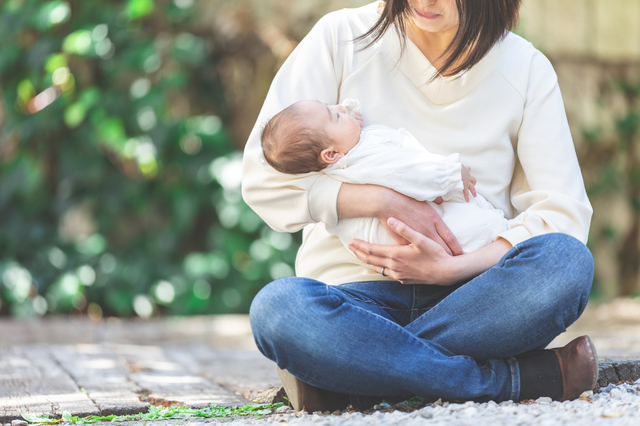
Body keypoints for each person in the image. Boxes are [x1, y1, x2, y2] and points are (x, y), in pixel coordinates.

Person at [242, 0, 596, 410]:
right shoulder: (340, 37)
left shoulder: (526, 68)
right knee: (279, 310)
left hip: (476, 300)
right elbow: (262, 178)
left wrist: (450, 268)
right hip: (354, 302)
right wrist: (380, 200)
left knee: (567, 262)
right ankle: (507, 380)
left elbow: (563, 215)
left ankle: (356, 375)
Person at [260, 98, 507, 253]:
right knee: (482, 228)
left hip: (413, 245)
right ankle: (501, 235)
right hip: (437, 234)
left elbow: (344, 115)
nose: (339, 107)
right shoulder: (365, 160)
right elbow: (411, 170)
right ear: (332, 154)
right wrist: (452, 172)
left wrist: (347, 118)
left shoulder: (344, 157)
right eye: (334, 115)